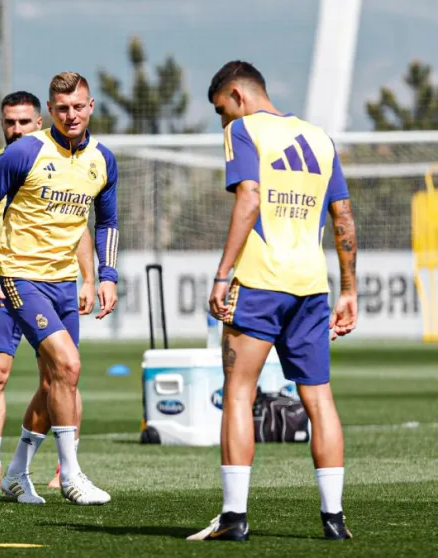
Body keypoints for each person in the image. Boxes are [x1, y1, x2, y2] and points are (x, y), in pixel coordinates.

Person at [188, 60, 357, 542]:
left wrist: (223, 275)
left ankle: (234, 518)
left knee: (239, 392)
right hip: (310, 285)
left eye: (223, 110)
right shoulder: (320, 138)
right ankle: (334, 521)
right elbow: (342, 218)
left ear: (238, 95)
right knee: (319, 398)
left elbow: (250, 198)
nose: (224, 121)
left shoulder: (245, 131)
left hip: (260, 281)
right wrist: (348, 290)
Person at [0, 71, 119, 506]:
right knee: (68, 365)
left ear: (90, 107)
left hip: (63, 282)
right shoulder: (26, 153)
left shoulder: (103, 159)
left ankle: (15, 471)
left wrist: (105, 275)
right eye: (63, 109)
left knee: (56, 378)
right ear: (50, 112)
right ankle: (70, 475)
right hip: (19, 276)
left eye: (79, 107)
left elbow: (106, 222)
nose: (71, 115)